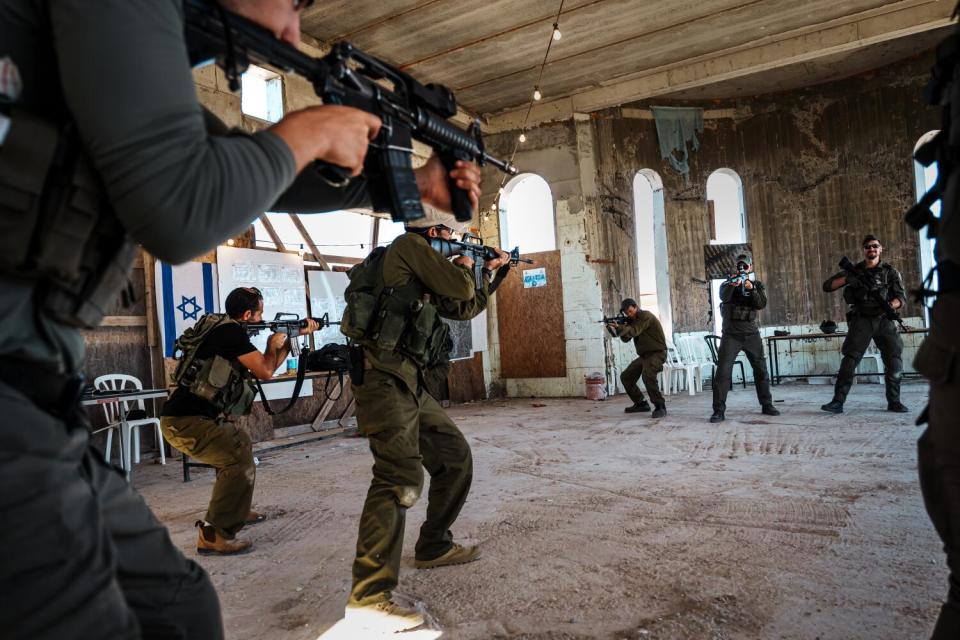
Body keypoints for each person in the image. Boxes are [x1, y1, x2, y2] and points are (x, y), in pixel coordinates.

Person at [0, 1, 482, 637]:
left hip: (37, 393)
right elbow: (179, 214)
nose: (287, 33)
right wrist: (309, 130)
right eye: (288, 4)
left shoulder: (94, 58)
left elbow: (238, 164)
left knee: (183, 609)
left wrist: (414, 183)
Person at [340, 206, 509, 633]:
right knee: (398, 477)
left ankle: (434, 545)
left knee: (454, 456)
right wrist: (468, 264)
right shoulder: (409, 246)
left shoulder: (420, 262)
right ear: (434, 232)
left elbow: (464, 307)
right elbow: (457, 283)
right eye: (450, 240)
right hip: (382, 378)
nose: (453, 249)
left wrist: (489, 273)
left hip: (407, 379)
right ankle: (368, 600)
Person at [160, 287, 318, 555]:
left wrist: (291, 338)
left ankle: (237, 512)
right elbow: (267, 370)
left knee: (241, 445)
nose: (261, 320)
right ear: (247, 314)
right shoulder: (231, 333)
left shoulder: (224, 329)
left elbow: (266, 368)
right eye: (259, 315)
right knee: (236, 458)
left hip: (186, 418)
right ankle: (214, 534)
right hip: (185, 421)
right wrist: (273, 344)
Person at [820, 235, 908, 414]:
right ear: (864, 250)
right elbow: (827, 286)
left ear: (880, 249)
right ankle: (837, 402)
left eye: (875, 246)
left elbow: (901, 298)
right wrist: (848, 279)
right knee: (850, 360)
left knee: (894, 359)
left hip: (884, 319)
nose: (871, 249)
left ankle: (894, 402)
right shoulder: (854, 270)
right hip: (861, 319)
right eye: (868, 246)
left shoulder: (890, 272)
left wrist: (890, 306)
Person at [710, 253, 779, 423]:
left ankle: (767, 405)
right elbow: (723, 296)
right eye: (739, 266)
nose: (742, 268)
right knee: (723, 372)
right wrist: (734, 285)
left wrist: (751, 289)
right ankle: (718, 410)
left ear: (750, 268)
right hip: (731, 335)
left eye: (745, 266)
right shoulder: (727, 285)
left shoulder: (756, 285)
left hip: (751, 334)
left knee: (761, 370)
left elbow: (761, 303)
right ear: (736, 268)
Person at [611, 298, 668, 418]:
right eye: (627, 313)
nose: (629, 314)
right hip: (644, 356)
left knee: (647, 375)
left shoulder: (646, 316)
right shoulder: (632, 321)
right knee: (626, 377)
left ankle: (660, 406)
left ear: (636, 307)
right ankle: (641, 403)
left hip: (657, 353)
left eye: (631, 311)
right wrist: (618, 328)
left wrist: (622, 328)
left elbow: (635, 331)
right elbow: (626, 339)